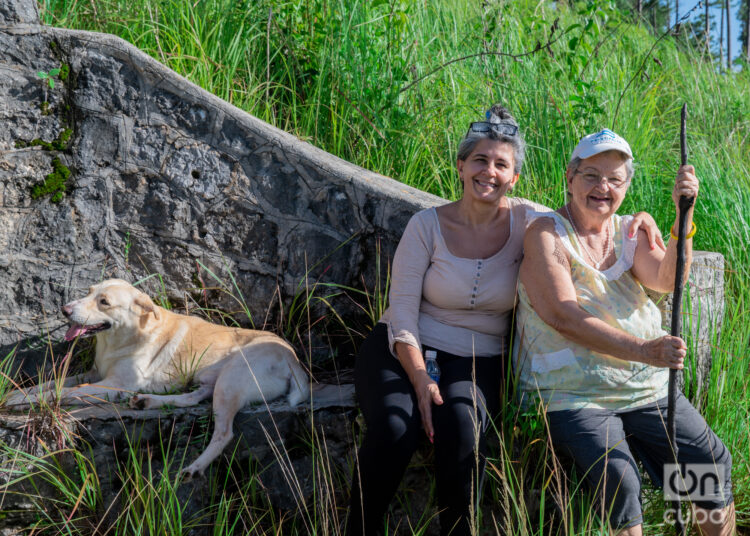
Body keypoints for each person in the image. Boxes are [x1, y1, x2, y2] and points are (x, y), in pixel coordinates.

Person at [346, 109, 664, 536]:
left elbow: (585, 216)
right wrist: (420, 378)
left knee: (461, 427)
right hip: (403, 346)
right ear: (461, 165)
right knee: (395, 427)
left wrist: (641, 220)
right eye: (480, 160)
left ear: (514, 178)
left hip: (479, 357)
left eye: (501, 165)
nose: (489, 173)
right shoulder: (426, 226)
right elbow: (402, 310)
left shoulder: (530, 222)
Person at [515, 129, 735, 535]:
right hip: (572, 393)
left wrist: (680, 217)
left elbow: (668, 279)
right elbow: (564, 315)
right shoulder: (547, 234)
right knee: (622, 481)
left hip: (641, 388)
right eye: (592, 176)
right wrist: (646, 351)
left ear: (627, 185)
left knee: (708, 463)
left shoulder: (627, 231)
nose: (603, 188)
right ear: (569, 177)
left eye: (615, 179)